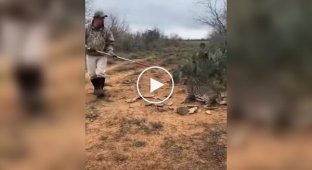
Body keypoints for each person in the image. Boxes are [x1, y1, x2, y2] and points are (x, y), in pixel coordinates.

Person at [85, 10, 115, 98]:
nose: (102, 20)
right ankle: (97, 88)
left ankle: (100, 91)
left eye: (103, 19)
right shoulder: (86, 28)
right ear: (95, 19)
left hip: (102, 54)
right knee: (92, 74)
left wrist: (110, 51)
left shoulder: (106, 30)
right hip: (90, 54)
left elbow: (110, 42)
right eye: (100, 18)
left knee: (100, 72)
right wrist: (86, 46)